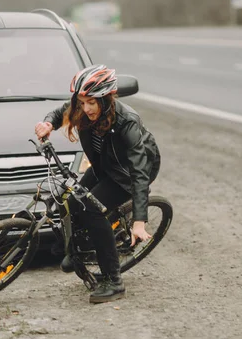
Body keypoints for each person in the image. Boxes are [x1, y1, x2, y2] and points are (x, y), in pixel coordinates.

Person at [34, 64, 161, 304]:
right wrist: (48, 124)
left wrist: (139, 221)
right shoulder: (81, 109)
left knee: (92, 210)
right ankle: (78, 251)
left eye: (92, 102)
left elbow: (139, 172)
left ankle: (114, 281)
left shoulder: (127, 122)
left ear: (107, 99)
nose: (86, 108)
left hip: (127, 173)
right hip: (104, 164)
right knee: (72, 201)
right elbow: (61, 111)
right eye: (82, 102)